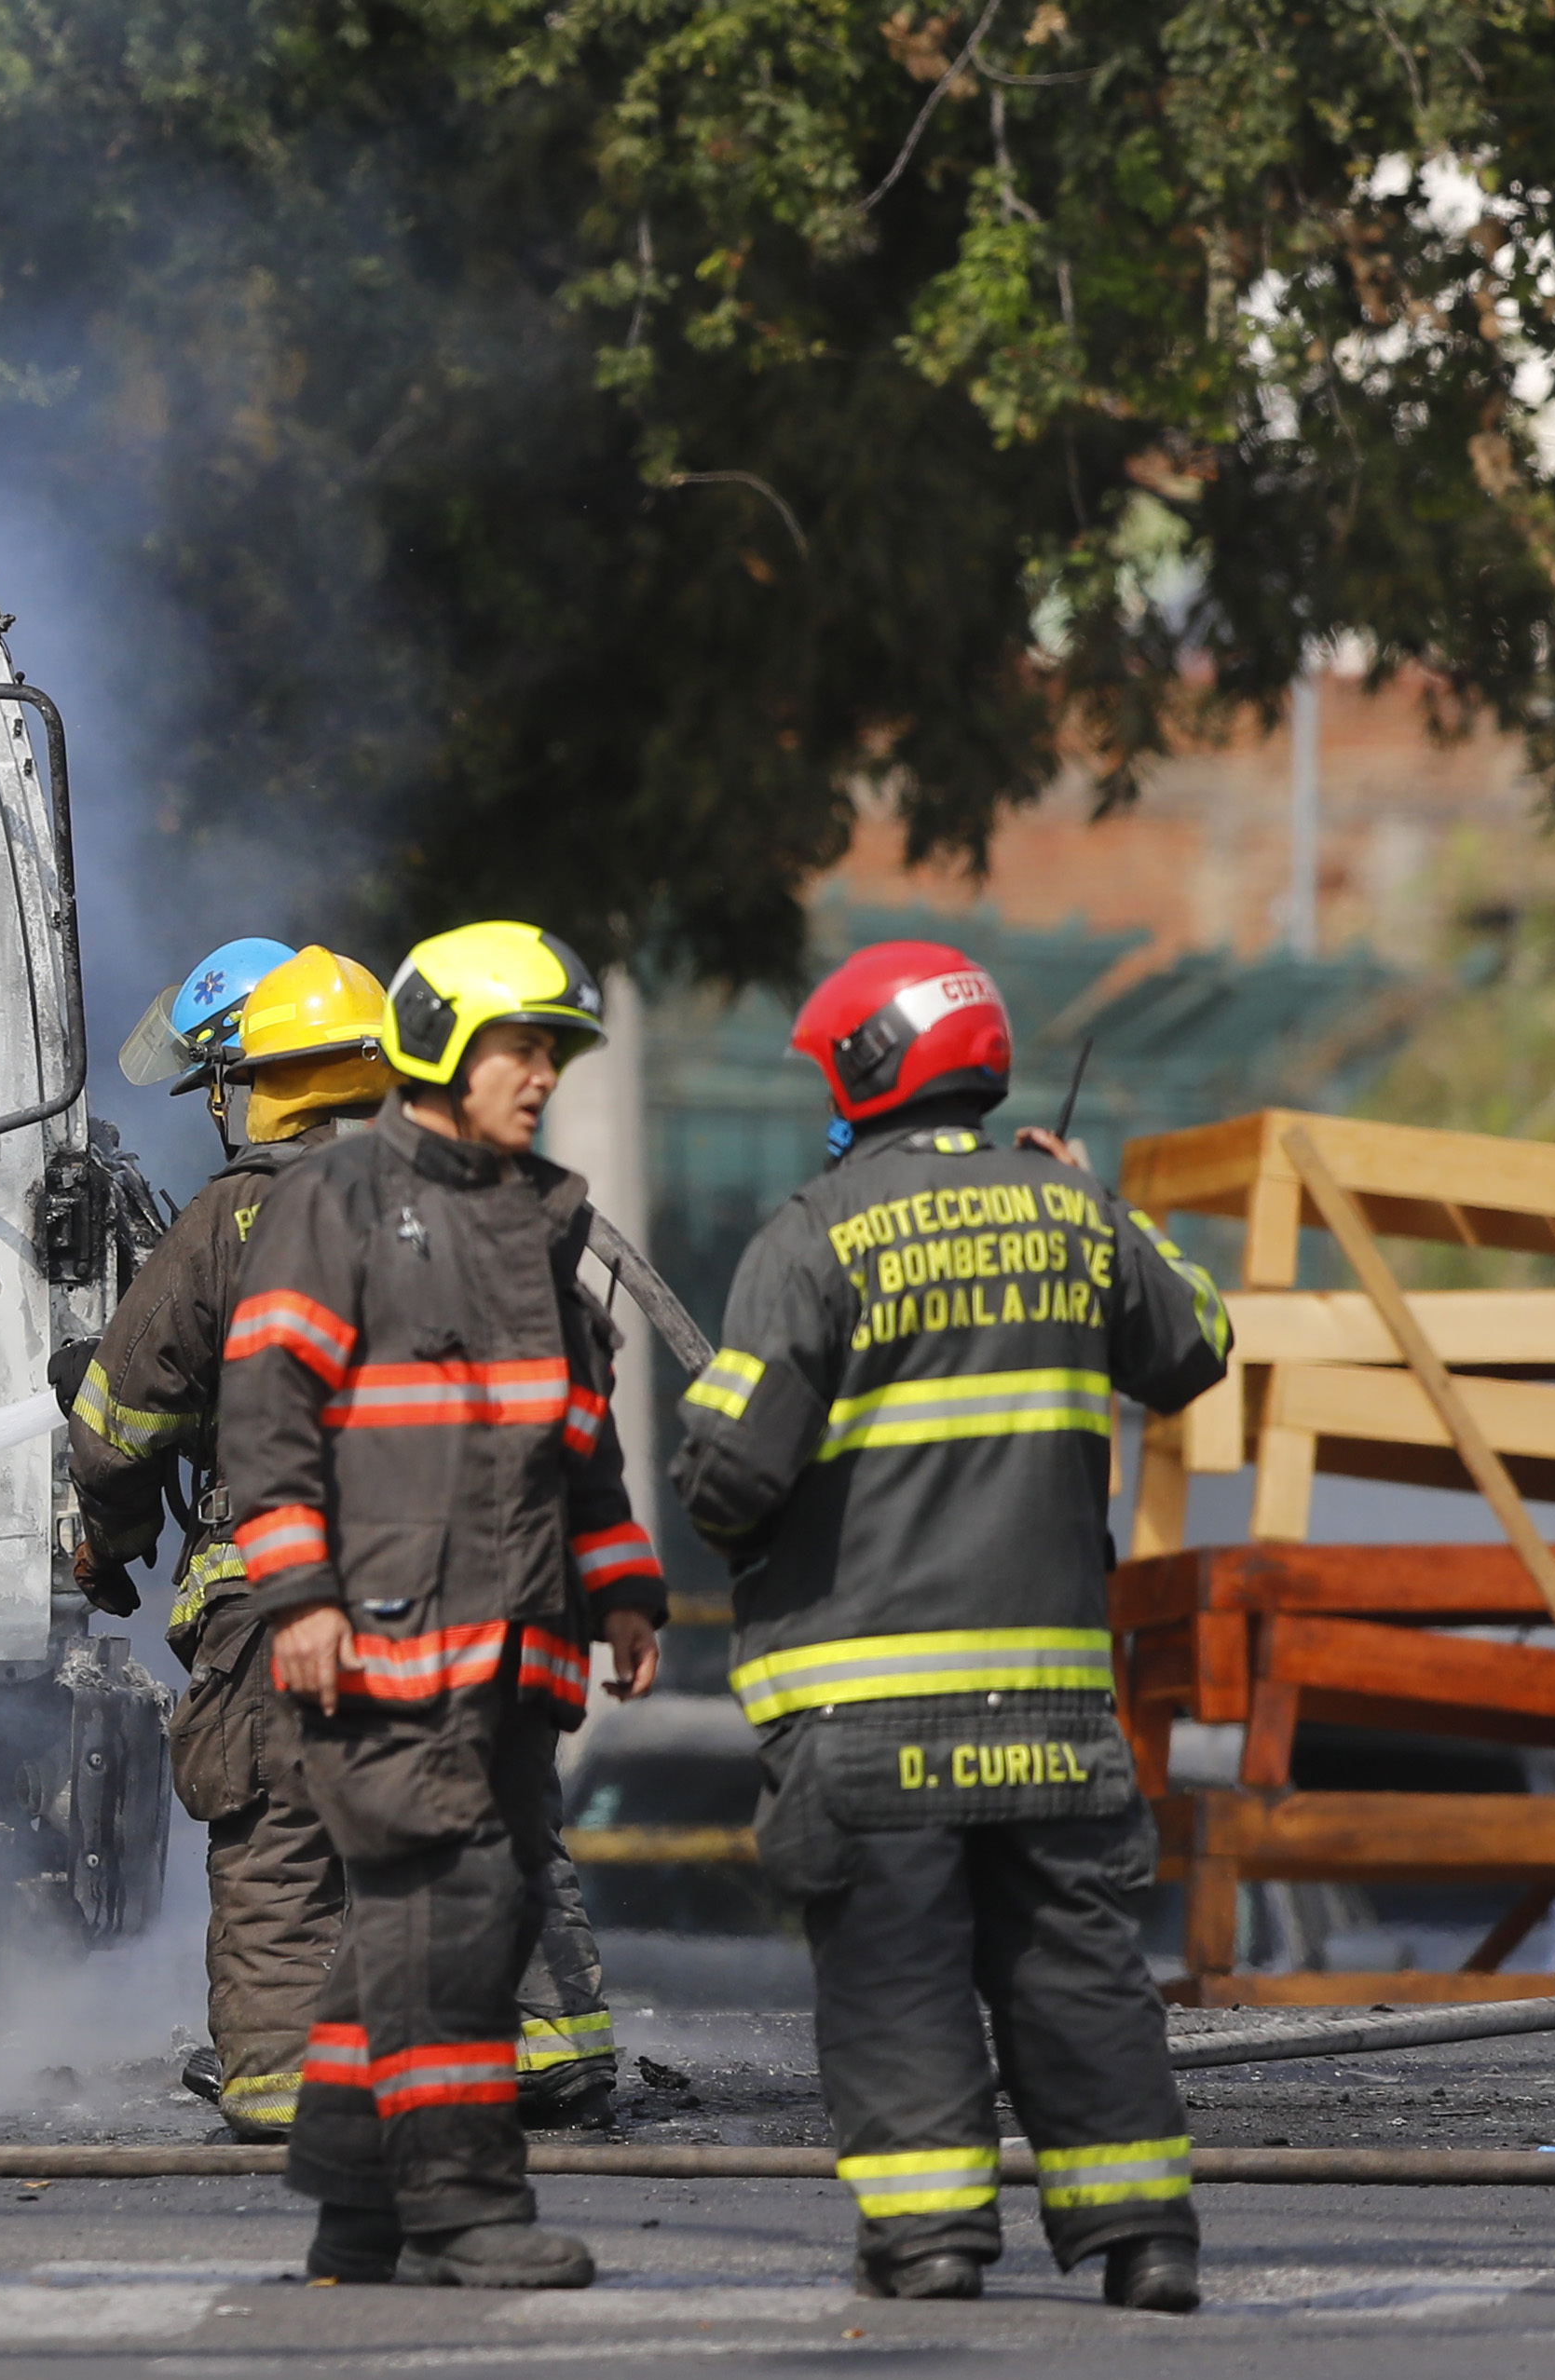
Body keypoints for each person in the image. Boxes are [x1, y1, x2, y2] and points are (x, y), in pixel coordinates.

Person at [678, 941, 1229, 2309]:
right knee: (1078, 1969)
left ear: (867, 1069)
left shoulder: (815, 1235)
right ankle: (1142, 2237)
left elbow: (732, 1477)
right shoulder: (1075, 1217)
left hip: (868, 1715)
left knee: (897, 1977)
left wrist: (710, 1459)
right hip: (1052, 1713)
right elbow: (1198, 1341)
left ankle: (930, 2240)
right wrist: (1098, 1203)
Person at [211, 920, 662, 2291]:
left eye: (553, 1052)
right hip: (384, 1647)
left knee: (444, 1916)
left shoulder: (538, 1214)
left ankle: (355, 2210)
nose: (543, 1076)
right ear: (440, 1048)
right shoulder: (335, 1200)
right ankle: (466, 2204)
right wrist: (296, 1595)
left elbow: (576, 1431)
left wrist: (623, 1585)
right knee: (455, 1915)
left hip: (520, 1648)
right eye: (522, 1048)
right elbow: (266, 1414)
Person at [70, 942, 388, 2142]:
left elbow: (117, 1427)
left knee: (276, 1836)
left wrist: (109, 1541)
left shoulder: (235, 1212)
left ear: (254, 1079)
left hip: (279, 1589)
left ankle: (279, 2079)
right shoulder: (454, 1203)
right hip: (445, 1581)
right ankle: (527, 2049)